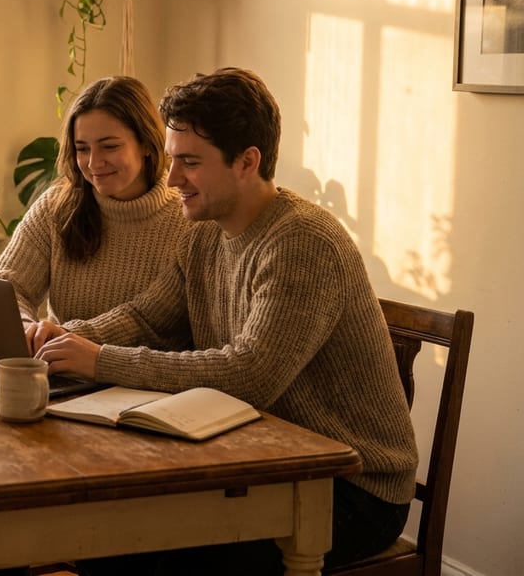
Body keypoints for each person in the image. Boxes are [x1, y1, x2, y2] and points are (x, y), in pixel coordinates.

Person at [30, 67, 417, 575]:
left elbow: (250, 373)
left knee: (124, 546)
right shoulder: (205, 231)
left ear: (247, 162)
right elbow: (150, 317)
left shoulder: (303, 242)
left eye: (189, 162)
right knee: (105, 533)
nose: (171, 180)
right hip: (260, 457)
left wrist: (100, 360)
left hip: (352, 488)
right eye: (172, 160)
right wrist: (69, 339)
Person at [0, 76, 190, 327]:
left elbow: (151, 326)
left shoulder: (187, 221)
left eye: (109, 147)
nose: (93, 163)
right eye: (82, 149)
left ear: (147, 144)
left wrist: (69, 340)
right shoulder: (55, 207)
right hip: (55, 363)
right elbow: (6, 289)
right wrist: (27, 328)